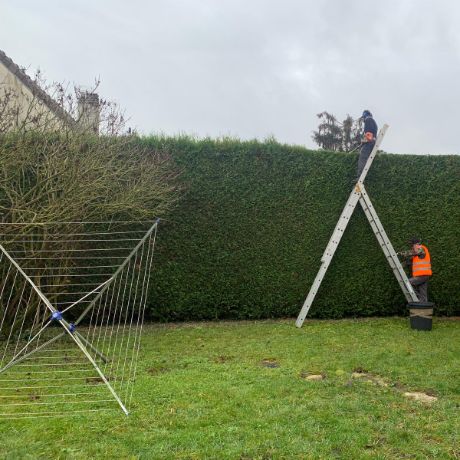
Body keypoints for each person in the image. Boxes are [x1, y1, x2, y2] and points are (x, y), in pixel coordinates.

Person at [397, 237, 432, 302]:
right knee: (423, 295)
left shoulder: (421, 249)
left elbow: (411, 252)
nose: (412, 247)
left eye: (412, 245)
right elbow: (409, 262)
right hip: (423, 276)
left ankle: (417, 298)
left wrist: (401, 254)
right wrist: (399, 265)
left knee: (407, 283)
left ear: (417, 244)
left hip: (422, 275)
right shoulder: (417, 254)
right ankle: (423, 309)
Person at [357, 110, 378, 179]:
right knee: (365, 158)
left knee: (363, 157)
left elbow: (369, 135)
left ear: (365, 115)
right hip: (372, 142)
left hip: (369, 143)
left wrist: (364, 141)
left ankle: (360, 176)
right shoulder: (372, 121)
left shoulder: (368, 120)